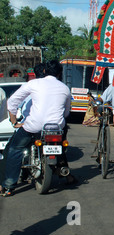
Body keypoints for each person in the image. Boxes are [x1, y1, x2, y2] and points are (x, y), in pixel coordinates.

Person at [1, 60, 73, 197]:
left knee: (15, 149)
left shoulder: (34, 84)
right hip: (57, 127)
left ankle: (9, 186)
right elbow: (66, 112)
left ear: (44, 71)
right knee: (62, 145)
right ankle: (64, 172)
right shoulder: (65, 88)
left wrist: (14, 120)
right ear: (59, 74)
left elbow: (12, 101)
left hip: (34, 125)